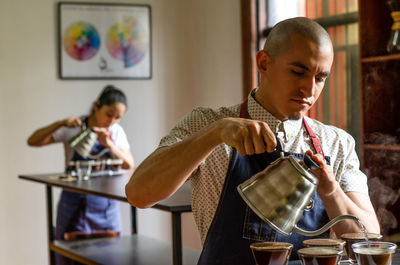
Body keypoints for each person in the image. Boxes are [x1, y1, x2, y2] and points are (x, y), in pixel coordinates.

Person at [125, 17, 379, 264]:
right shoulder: (207, 123)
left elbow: (369, 242)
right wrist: (213, 134)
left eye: (320, 78)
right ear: (264, 63)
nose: (310, 90)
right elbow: (138, 194)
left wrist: (331, 190)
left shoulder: (336, 142)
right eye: (298, 72)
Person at [28, 85, 134, 265]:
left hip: (106, 208)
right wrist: (60, 123)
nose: (112, 121)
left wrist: (110, 145)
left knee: (110, 257)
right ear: (97, 106)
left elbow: (129, 164)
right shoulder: (74, 127)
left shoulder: (116, 133)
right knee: (68, 257)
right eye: (109, 114)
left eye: (117, 118)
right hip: (73, 205)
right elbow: (33, 141)